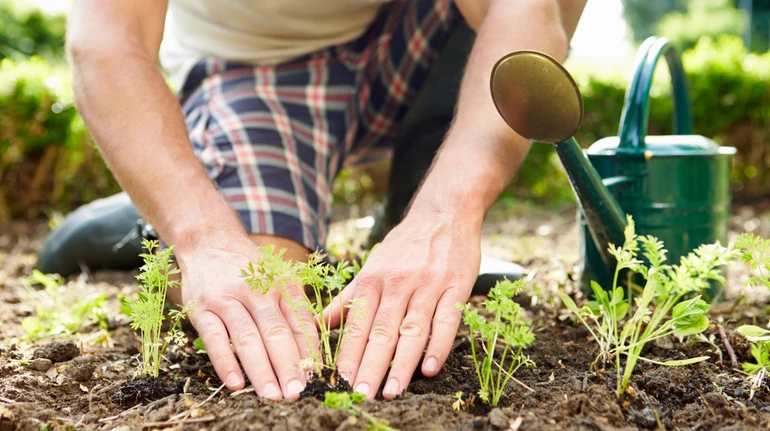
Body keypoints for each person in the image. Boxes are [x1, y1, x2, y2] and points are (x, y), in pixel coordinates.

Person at [57, 0, 585, 402]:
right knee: (271, 290)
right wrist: (203, 236)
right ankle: (173, 199)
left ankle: (410, 214)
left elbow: (524, 12)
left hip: (418, 32)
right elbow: (107, 42)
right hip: (260, 62)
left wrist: (447, 214)